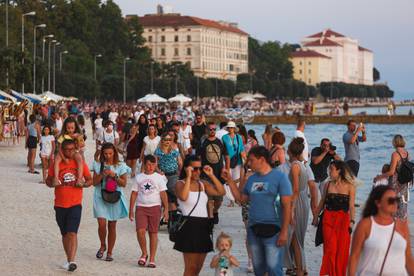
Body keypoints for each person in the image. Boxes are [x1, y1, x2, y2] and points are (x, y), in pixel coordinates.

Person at [225, 146, 293, 276]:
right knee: (258, 269)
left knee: (274, 269)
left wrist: (284, 232)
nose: (248, 163)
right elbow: (241, 199)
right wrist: (229, 180)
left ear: (262, 159)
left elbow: (287, 206)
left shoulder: (280, 177)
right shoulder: (252, 179)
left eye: (251, 160)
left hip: (274, 230)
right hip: (254, 230)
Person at [174, 155, 226, 276]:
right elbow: (183, 197)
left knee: (198, 267)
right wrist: (188, 177)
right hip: (188, 226)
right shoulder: (180, 183)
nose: (197, 171)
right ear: (188, 168)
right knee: (190, 267)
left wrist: (211, 175)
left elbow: (221, 192)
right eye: (194, 168)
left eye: (199, 168)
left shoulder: (203, 184)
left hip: (203, 226)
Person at [45, 139, 92, 272]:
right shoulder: (56, 163)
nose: (69, 152)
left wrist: (84, 183)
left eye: (72, 149)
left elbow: (90, 180)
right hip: (60, 204)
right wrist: (51, 183)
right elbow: (48, 181)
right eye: (67, 150)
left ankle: (72, 261)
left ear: (75, 149)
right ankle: (68, 259)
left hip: (75, 203)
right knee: (65, 234)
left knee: (72, 233)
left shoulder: (80, 163)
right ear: (62, 150)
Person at [348, 185, 414, 275]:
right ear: (378, 203)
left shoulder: (402, 226)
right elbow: (354, 257)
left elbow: (408, 259)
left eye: (397, 200)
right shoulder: (366, 225)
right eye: (391, 201)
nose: (395, 204)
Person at [278, 138, 318, 276]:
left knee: (295, 237)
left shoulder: (295, 166)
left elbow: (295, 189)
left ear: (290, 151)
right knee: (296, 237)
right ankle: (299, 268)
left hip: (297, 201)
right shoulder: (303, 165)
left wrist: (292, 209)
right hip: (302, 200)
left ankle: (300, 269)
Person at [312, 160, 356, 276]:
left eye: (331, 170)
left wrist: (352, 222)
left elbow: (351, 206)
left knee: (341, 252)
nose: (329, 172)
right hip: (328, 219)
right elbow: (322, 202)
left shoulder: (350, 186)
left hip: (343, 221)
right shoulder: (327, 185)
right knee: (330, 250)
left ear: (339, 170)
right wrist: (316, 216)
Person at [129, 154, 169, 268]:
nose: (150, 167)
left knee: (153, 233)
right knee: (140, 231)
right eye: (148, 164)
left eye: (153, 164)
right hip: (141, 207)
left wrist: (166, 209)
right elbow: (134, 193)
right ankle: (144, 253)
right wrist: (131, 209)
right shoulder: (139, 177)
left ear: (156, 165)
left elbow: (163, 193)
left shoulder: (159, 177)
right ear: (144, 164)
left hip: (155, 207)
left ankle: (152, 258)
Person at [92, 143, 130, 261]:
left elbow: (124, 183)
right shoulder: (98, 165)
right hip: (100, 195)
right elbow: (94, 182)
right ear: (102, 154)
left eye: (110, 153)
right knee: (102, 224)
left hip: (115, 196)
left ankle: (110, 252)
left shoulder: (120, 165)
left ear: (114, 153)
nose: (108, 156)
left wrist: (115, 176)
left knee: (112, 225)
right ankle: (103, 245)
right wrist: (103, 174)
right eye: (105, 154)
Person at [374, 135, 411, 220]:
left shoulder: (395, 154)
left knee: (392, 204)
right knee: (402, 203)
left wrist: (379, 177)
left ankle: (392, 224)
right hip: (404, 182)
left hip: (395, 182)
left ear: (395, 142)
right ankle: (401, 224)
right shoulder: (407, 154)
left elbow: (391, 172)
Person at [198, 121, 227, 224]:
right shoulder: (203, 142)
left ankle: (214, 212)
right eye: (210, 129)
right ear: (207, 130)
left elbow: (226, 156)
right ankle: (209, 220)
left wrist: (226, 169)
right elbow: (198, 157)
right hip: (206, 175)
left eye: (214, 129)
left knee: (219, 200)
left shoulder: (219, 142)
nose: (212, 131)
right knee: (209, 199)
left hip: (219, 174)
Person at [154, 133, 183, 217]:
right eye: (165, 140)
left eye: (169, 140)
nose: (167, 141)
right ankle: (166, 208)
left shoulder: (174, 151)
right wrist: (159, 171)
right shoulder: (158, 151)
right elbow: (155, 164)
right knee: (163, 192)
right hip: (162, 175)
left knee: (172, 188)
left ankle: (177, 205)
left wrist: (179, 172)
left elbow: (180, 162)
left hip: (173, 174)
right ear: (162, 141)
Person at [54, 117, 85, 187]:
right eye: (68, 128)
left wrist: (77, 138)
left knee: (80, 158)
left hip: (74, 152)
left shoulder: (78, 135)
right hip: (63, 152)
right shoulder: (63, 136)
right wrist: (63, 158)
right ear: (65, 127)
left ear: (75, 127)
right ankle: (56, 178)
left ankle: (80, 179)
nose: (70, 130)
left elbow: (82, 145)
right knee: (56, 159)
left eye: (72, 128)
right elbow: (59, 147)